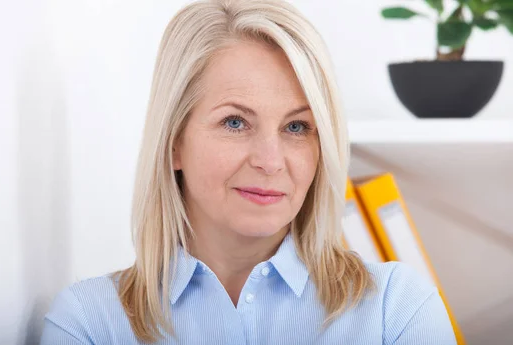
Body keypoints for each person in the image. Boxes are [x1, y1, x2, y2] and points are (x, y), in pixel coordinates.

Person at [40, 0, 457, 344]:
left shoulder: (397, 308)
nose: (270, 160)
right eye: (235, 123)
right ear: (173, 143)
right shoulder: (89, 323)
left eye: (297, 127)